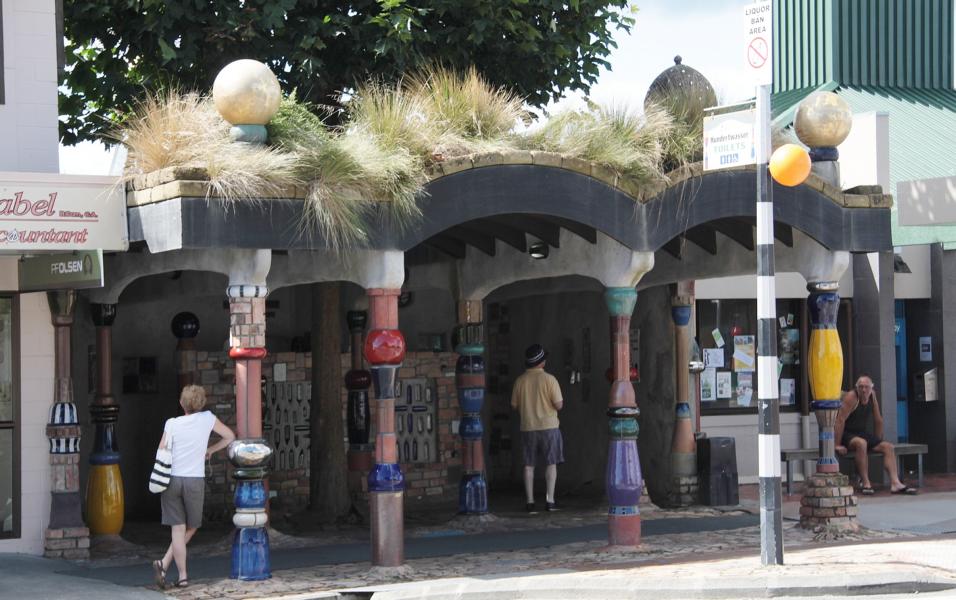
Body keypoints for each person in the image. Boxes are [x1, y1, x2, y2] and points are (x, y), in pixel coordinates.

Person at [152, 385, 236, 589]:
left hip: (171, 480)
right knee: (192, 527)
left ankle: (175, 571)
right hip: (194, 481)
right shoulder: (207, 419)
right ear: (201, 403)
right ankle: (171, 569)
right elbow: (230, 436)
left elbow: (161, 449)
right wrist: (210, 450)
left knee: (177, 529)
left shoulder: (171, 423)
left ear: (182, 404)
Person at [835, 375, 917, 495]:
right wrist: (836, 444)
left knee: (888, 447)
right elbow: (840, 420)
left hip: (861, 433)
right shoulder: (851, 397)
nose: (864, 390)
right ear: (857, 388)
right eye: (861, 387)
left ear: (871, 388)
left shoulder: (872, 395)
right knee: (861, 443)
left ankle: (895, 483)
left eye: (866, 387)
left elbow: (878, 420)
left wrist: (877, 441)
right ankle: (866, 482)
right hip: (847, 434)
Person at [511, 343, 564, 513]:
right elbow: (558, 404)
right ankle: (550, 501)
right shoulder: (550, 379)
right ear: (542, 362)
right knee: (551, 463)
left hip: (528, 427)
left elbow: (514, 405)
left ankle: (530, 502)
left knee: (528, 464)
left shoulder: (520, 381)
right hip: (549, 426)